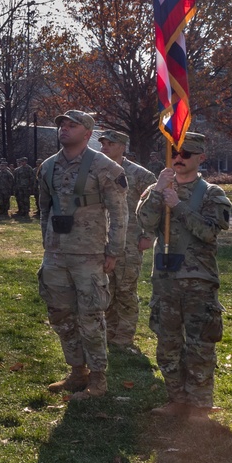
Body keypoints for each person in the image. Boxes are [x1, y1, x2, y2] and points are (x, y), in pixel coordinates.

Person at [137, 132, 231, 420]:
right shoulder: (158, 188)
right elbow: (144, 222)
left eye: (186, 154)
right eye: (174, 153)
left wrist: (178, 206)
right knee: (167, 344)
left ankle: (200, 406)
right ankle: (176, 398)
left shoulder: (212, 193)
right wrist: (158, 192)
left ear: (201, 157)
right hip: (165, 279)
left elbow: (208, 232)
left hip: (197, 280)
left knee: (200, 344)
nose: (178, 158)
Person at [38, 110, 127, 399]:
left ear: (87, 133)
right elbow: (44, 209)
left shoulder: (105, 167)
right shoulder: (48, 166)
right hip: (56, 253)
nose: (64, 129)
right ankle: (77, 371)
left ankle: (98, 379)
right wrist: (47, 243)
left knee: (91, 317)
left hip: (89, 254)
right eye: (61, 124)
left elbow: (118, 211)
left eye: (71, 125)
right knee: (60, 315)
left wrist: (113, 250)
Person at [97, 130, 156, 350]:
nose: (104, 147)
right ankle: (110, 331)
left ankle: (124, 336)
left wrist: (148, 235)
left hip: (129, 242)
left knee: (126, 290)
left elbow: (156, 206)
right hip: (100, 240)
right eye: (102, 143)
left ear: (122, 146)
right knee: (106, 289)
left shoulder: (141, 175)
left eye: (110, 144)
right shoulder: (96, 170)